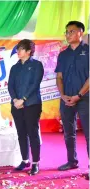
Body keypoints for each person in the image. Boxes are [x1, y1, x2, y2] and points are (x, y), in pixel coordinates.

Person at [55, 21, 89, 180]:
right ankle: (71, 161)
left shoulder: (88, 51)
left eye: (71, 31)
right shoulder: (63, 54)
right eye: (66, 32)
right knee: (69, 133)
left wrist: (79, 95)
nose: (68, 35)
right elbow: (59, 77)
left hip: (85, 99)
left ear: (81, 33)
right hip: (66, 99)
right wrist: (62, 95)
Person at [8, 39, 44, 175]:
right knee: (21, 133)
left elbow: (35, 84)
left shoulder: (37, 65)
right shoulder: (14, 67)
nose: (18, 51)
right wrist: (15, 99)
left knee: (32, 133)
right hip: (16, 105)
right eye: (17, 49)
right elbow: (10, 85)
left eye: (21, 49)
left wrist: (23, 99)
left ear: (29, 51)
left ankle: (35, 163)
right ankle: (25, 160)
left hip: (32, 104)